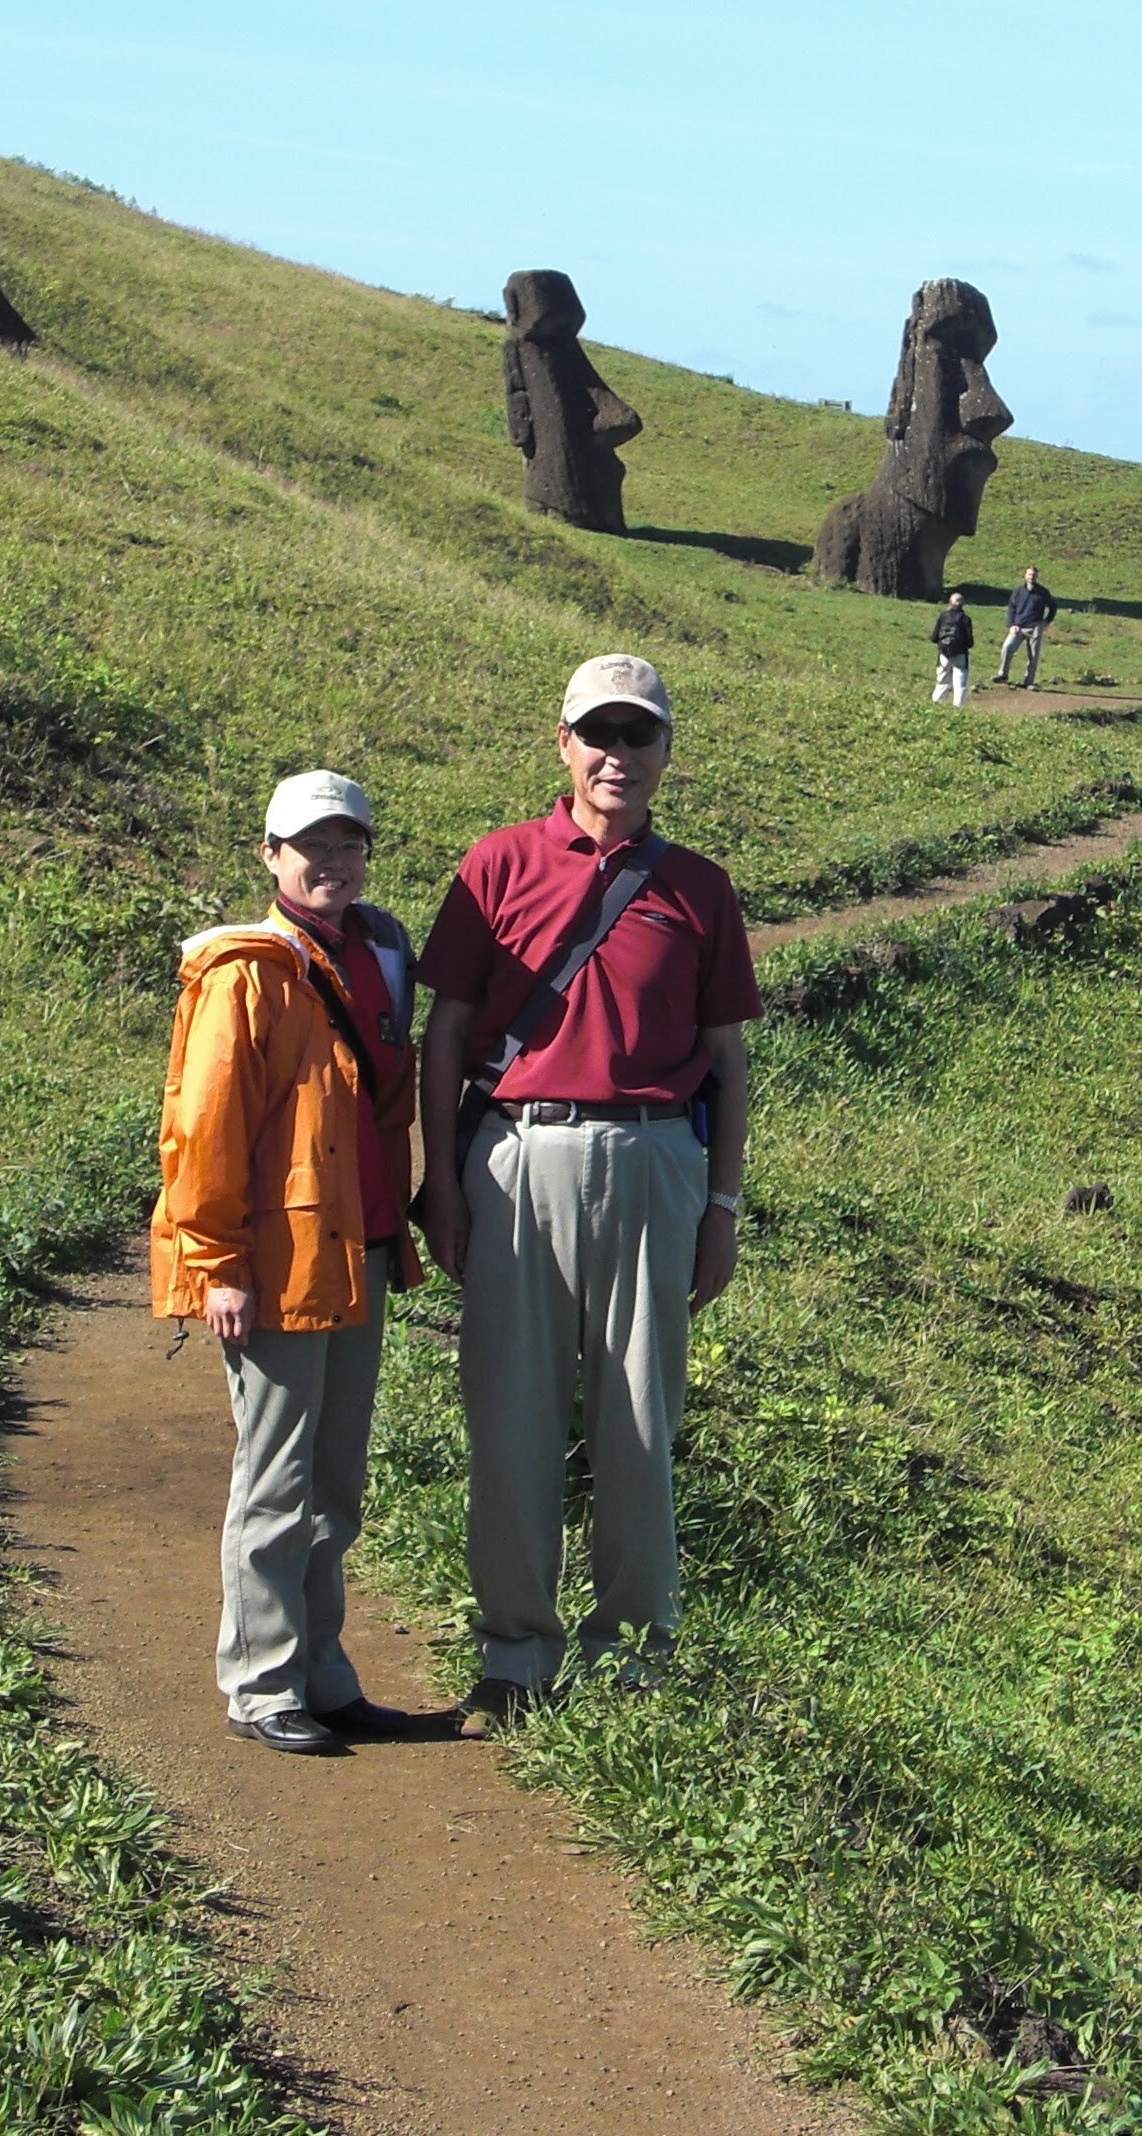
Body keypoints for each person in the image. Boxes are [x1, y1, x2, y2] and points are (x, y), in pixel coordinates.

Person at [417, 655, 761, 1730]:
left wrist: (722, 1207)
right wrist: (442, 1185)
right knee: (511, 1420)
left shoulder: (699, 888)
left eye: (640, 734)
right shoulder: (497, 865)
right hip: (519, 1154)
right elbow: (447, 1039)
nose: (619, 755)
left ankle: (632, 1657)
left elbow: (728, 1061)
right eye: (599, 733)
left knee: (640, 1420)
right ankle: (514, 1652)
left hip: (658, 1159)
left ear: (667, 750)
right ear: (561, 742)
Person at [151, 770, 430, 1754]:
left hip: (355, 1249)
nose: (330, 861)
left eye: (347, 842)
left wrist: (402, 1229)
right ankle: (262, 1683)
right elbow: (204, 1124)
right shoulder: (247, 972)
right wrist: (218, 1263)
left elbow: (388, 1106)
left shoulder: (382, 955)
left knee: (336, 1481)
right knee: (275, 1480)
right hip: (273, 1263)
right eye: (310, 844)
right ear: (270, 855)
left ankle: (322, 1670)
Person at [994, 565, 1056, 686]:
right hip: (1018, 626)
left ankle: (1028, 681)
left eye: (1033, 575)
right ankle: (1003, 674)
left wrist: (1047, 621)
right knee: (1007, 647)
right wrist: (1012, 625)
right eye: (1029, 574)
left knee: (1033, 655)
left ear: (1037, 576)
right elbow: (1011, 608)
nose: (1031, 577)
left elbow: (1053, 607)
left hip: (1035, 626)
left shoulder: (1043, 592)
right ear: (1025, 575)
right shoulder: (1018, 591)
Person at [930, 590, 976, 706]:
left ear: (950, 602)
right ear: (963, 604)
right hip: (960, 654)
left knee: (942, 681)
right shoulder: (965, 619)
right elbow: (970, 641)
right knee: (960, 683)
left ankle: (937, 704)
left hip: (943, 654)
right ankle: (958, 707)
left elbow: (934, 637)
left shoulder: (942, 616)